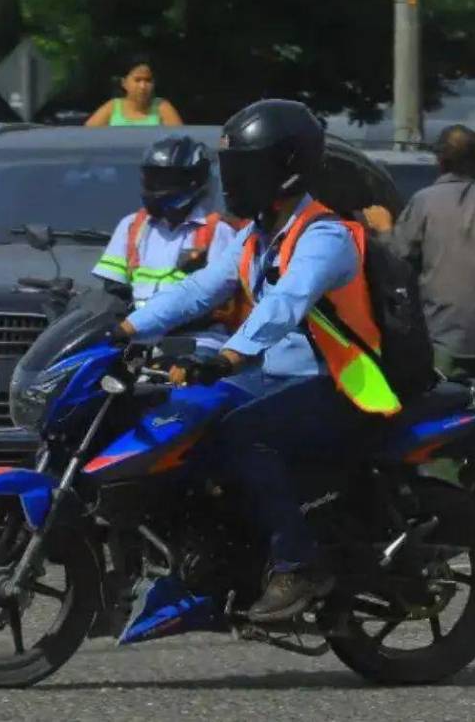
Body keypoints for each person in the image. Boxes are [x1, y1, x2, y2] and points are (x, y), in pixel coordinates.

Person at [115, 100, 402, 623]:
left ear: (283, 168)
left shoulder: (325, 236)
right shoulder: (257, 236)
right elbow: (200, 290)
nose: (231, 182)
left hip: (344, 385)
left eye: (242, 169)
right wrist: (124, 330)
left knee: (243, 434)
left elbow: (284, 305)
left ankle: (299, 564)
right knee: (182, 416)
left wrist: (228, 356)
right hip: (278, 378)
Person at [363, 124, 475, 380]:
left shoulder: (424, 202)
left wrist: (384, 228)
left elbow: (395, 260)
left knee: (441, 405)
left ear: (440, 162)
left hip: (443, 338)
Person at [93, 136, 236, 345]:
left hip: (195, 337)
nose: (157, 187)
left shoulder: (218, 231)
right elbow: (114, 291)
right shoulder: (132, 226)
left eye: (166, 179)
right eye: (152, 178)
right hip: (133, 334)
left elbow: (215, 296)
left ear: (193, 181)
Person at [84, 57, 183, 127]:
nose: (143, 86)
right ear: (124, 83)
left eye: (147, 80)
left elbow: (180, 141)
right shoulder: (112, 108)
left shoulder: (162, 107)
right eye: (137, 80)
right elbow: (86, 137)